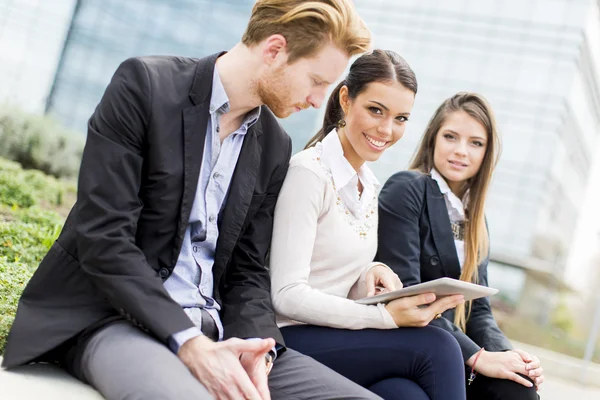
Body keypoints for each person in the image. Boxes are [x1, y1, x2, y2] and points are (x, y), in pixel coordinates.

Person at [1, 1, 383, 399]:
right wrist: (190, 342)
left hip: (219, 332)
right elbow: (105, 239)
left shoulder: (274, 144)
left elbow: (246, 272)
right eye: (317, 81)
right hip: (115, 318)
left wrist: (261, 353)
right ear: (274, 50)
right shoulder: (144, 86)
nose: (319, 100)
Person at [269, 49, 467, 400]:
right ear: (346, 99)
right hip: (292, 336)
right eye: (376, 110)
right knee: (439, 347)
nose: (387, 130)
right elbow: (286, 296)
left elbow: (336, 273)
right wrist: (385, 317)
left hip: (337, 333)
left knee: (405, 394)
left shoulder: (369, 183)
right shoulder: (309, 173)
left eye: (401, 118)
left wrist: (370, 274)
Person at [376, 92, 545, 400]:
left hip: (454, 349)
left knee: (519, 387)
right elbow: (409, 291)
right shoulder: (408, 188)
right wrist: (478, 357)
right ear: (433, 139)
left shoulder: (476, 219)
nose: (460, 151)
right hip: (414, 343)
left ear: (486, 153)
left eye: (475, 143)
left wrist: (510, 356)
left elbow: (478, 311)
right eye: (450, 137)